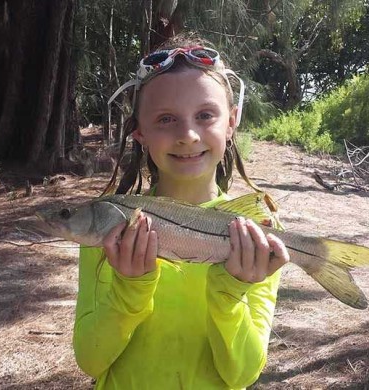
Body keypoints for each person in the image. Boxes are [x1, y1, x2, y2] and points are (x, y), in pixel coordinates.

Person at [73, 35, 290, 390]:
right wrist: (129, 290)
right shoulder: (108, 226)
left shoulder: (260, 230)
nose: (187, 135)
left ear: (232, 122)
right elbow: (90, 360)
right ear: (139, 132)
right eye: (166, 119)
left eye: (205, 115)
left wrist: (229, 294)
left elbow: (244, 374)